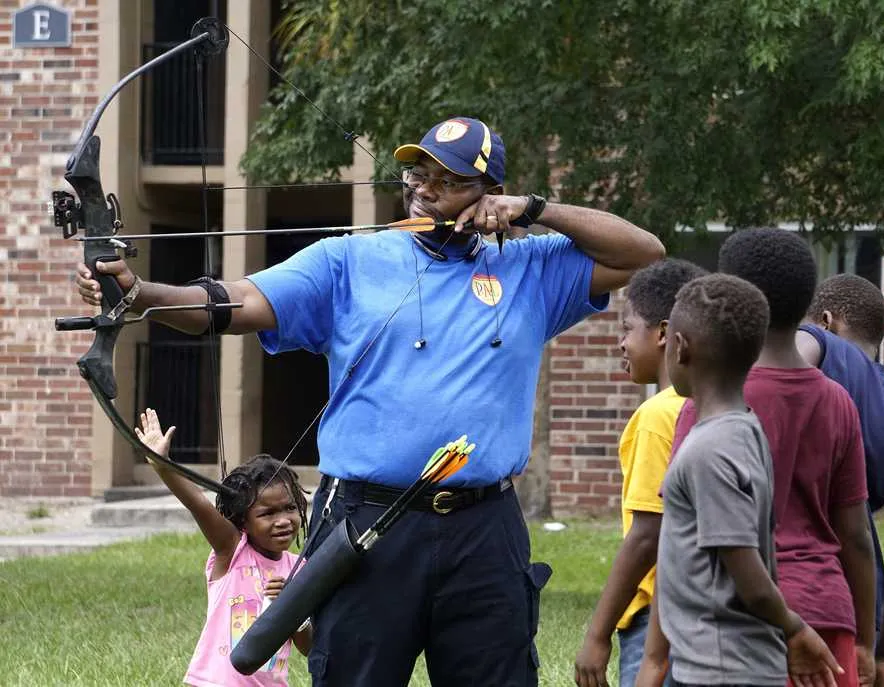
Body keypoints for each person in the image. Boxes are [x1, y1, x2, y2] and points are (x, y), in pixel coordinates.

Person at [77, 116, 665, 686]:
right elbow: (232, 303)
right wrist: (138, 292)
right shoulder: (346, 262)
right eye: (419, 174)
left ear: (492, 195)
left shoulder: (531, 267)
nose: (426, 190)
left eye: (450, 180)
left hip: (484, 527)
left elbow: (645, 254)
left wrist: (536, 212)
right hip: (366, 523)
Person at [670, 229, 877, 687]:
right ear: (807, 300)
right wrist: (865, 639)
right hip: (828, 614)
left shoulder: (711, 402)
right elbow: (856, 536)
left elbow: (684, 532)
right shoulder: (838, 401)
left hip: (742, 624)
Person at [635, 273, 842, 687]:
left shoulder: (710, 448)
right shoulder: (746, 429)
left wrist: (795, 629)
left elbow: (748, 573)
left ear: (679, 347)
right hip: (723, 664)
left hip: (720, 669)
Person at [575, 258, 706, 687]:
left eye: (628, 328)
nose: (621, 343)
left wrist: (597, 634)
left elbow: (649, 533)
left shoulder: (657, 415)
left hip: (656, 621)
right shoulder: (722, 407)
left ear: (665, 333)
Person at [798, 274, 884, 687]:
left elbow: (779, 372)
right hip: (858, 598)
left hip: (793, 576)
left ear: (826, 318)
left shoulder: (815, 342)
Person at [133, 408, 311, 687]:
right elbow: (198, 504)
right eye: (267, 514)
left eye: (290, 508)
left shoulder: (299, 569)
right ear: (243, 521)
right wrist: (162, 465)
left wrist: (294, 607)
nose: (283, 521)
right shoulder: (232, 551)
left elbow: (309, 647)